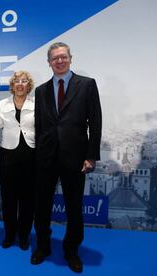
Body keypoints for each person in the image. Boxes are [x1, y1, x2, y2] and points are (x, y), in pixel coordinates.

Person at [31, 42, 102, 273]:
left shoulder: (87, 85)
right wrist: (39, 154)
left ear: (70, 58)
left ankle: (71, 251)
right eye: (55, 58)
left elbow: (96, 122)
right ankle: (42, 247)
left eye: (63, 57)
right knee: (42, 207)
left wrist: (91, 156)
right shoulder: (41, 90)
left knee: (74, 208)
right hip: (46, 158)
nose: (59, 61)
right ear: (49, 62)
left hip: (76, 157)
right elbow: (40, 126)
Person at [0, 71, 35, 250]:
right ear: (12, 85)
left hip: (31, 156)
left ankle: (24, 236)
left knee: (28, 200)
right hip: (8, 156)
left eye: (24, 81)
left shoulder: (37, 104)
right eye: (16, 81)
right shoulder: (3, 104)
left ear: (28, 85)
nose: (20, 84)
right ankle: (10, 235)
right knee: (8, 199)